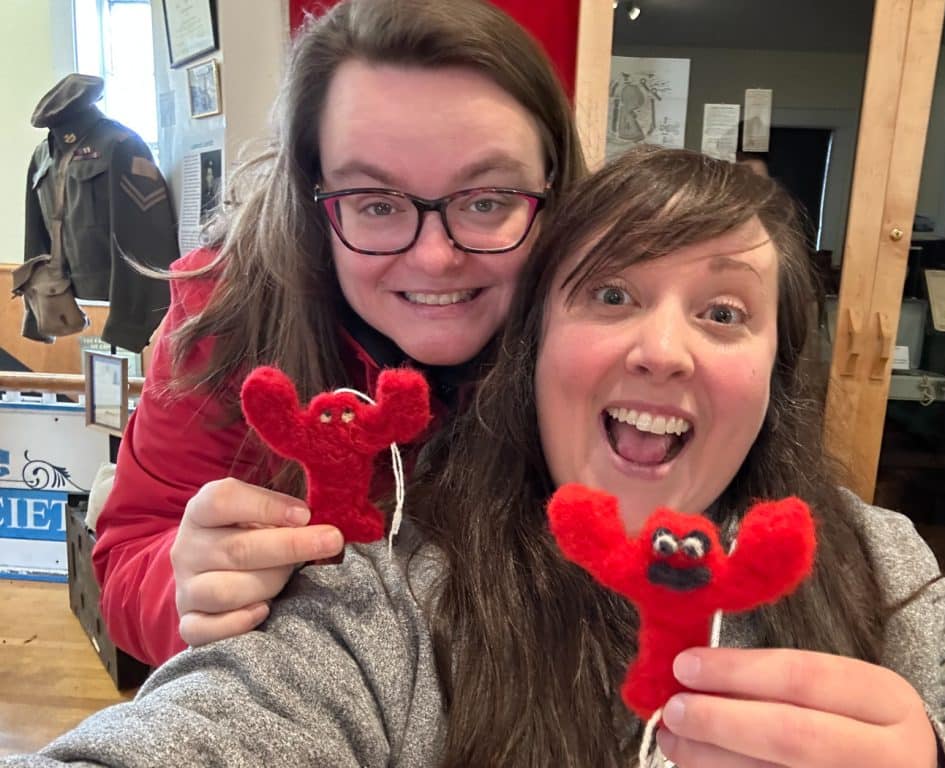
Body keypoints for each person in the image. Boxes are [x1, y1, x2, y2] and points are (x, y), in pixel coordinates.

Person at [6, 147, 945, 767]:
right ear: (530, 353)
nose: (661, 349)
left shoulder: (897, 587)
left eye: (722, 312)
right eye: (612, 295)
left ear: (773, 373)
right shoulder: (396, 597)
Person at [91, 0, 585, 668]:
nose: (436, 258)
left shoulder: (612, 323)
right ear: (312, 194)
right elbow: (132, 553)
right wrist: (183, 593)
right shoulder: (224, 314)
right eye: (376, 204)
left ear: (554, 191)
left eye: (488, 199)